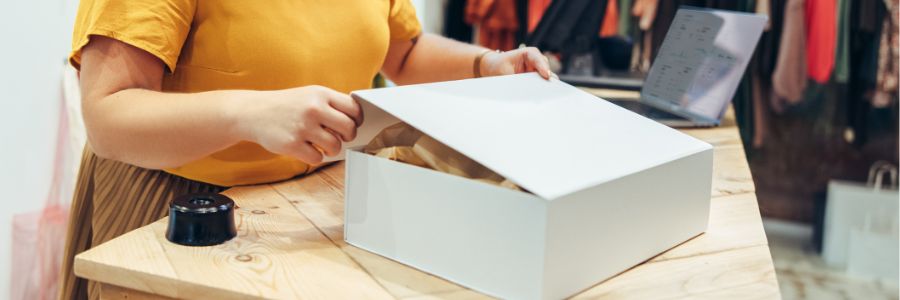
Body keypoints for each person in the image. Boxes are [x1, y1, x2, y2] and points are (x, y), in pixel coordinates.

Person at [58, 1, 553, 299]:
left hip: (318, 203)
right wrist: (249, 115)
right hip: (177, 207)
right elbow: (108, 117)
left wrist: (485, 65)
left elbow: (401, 51)